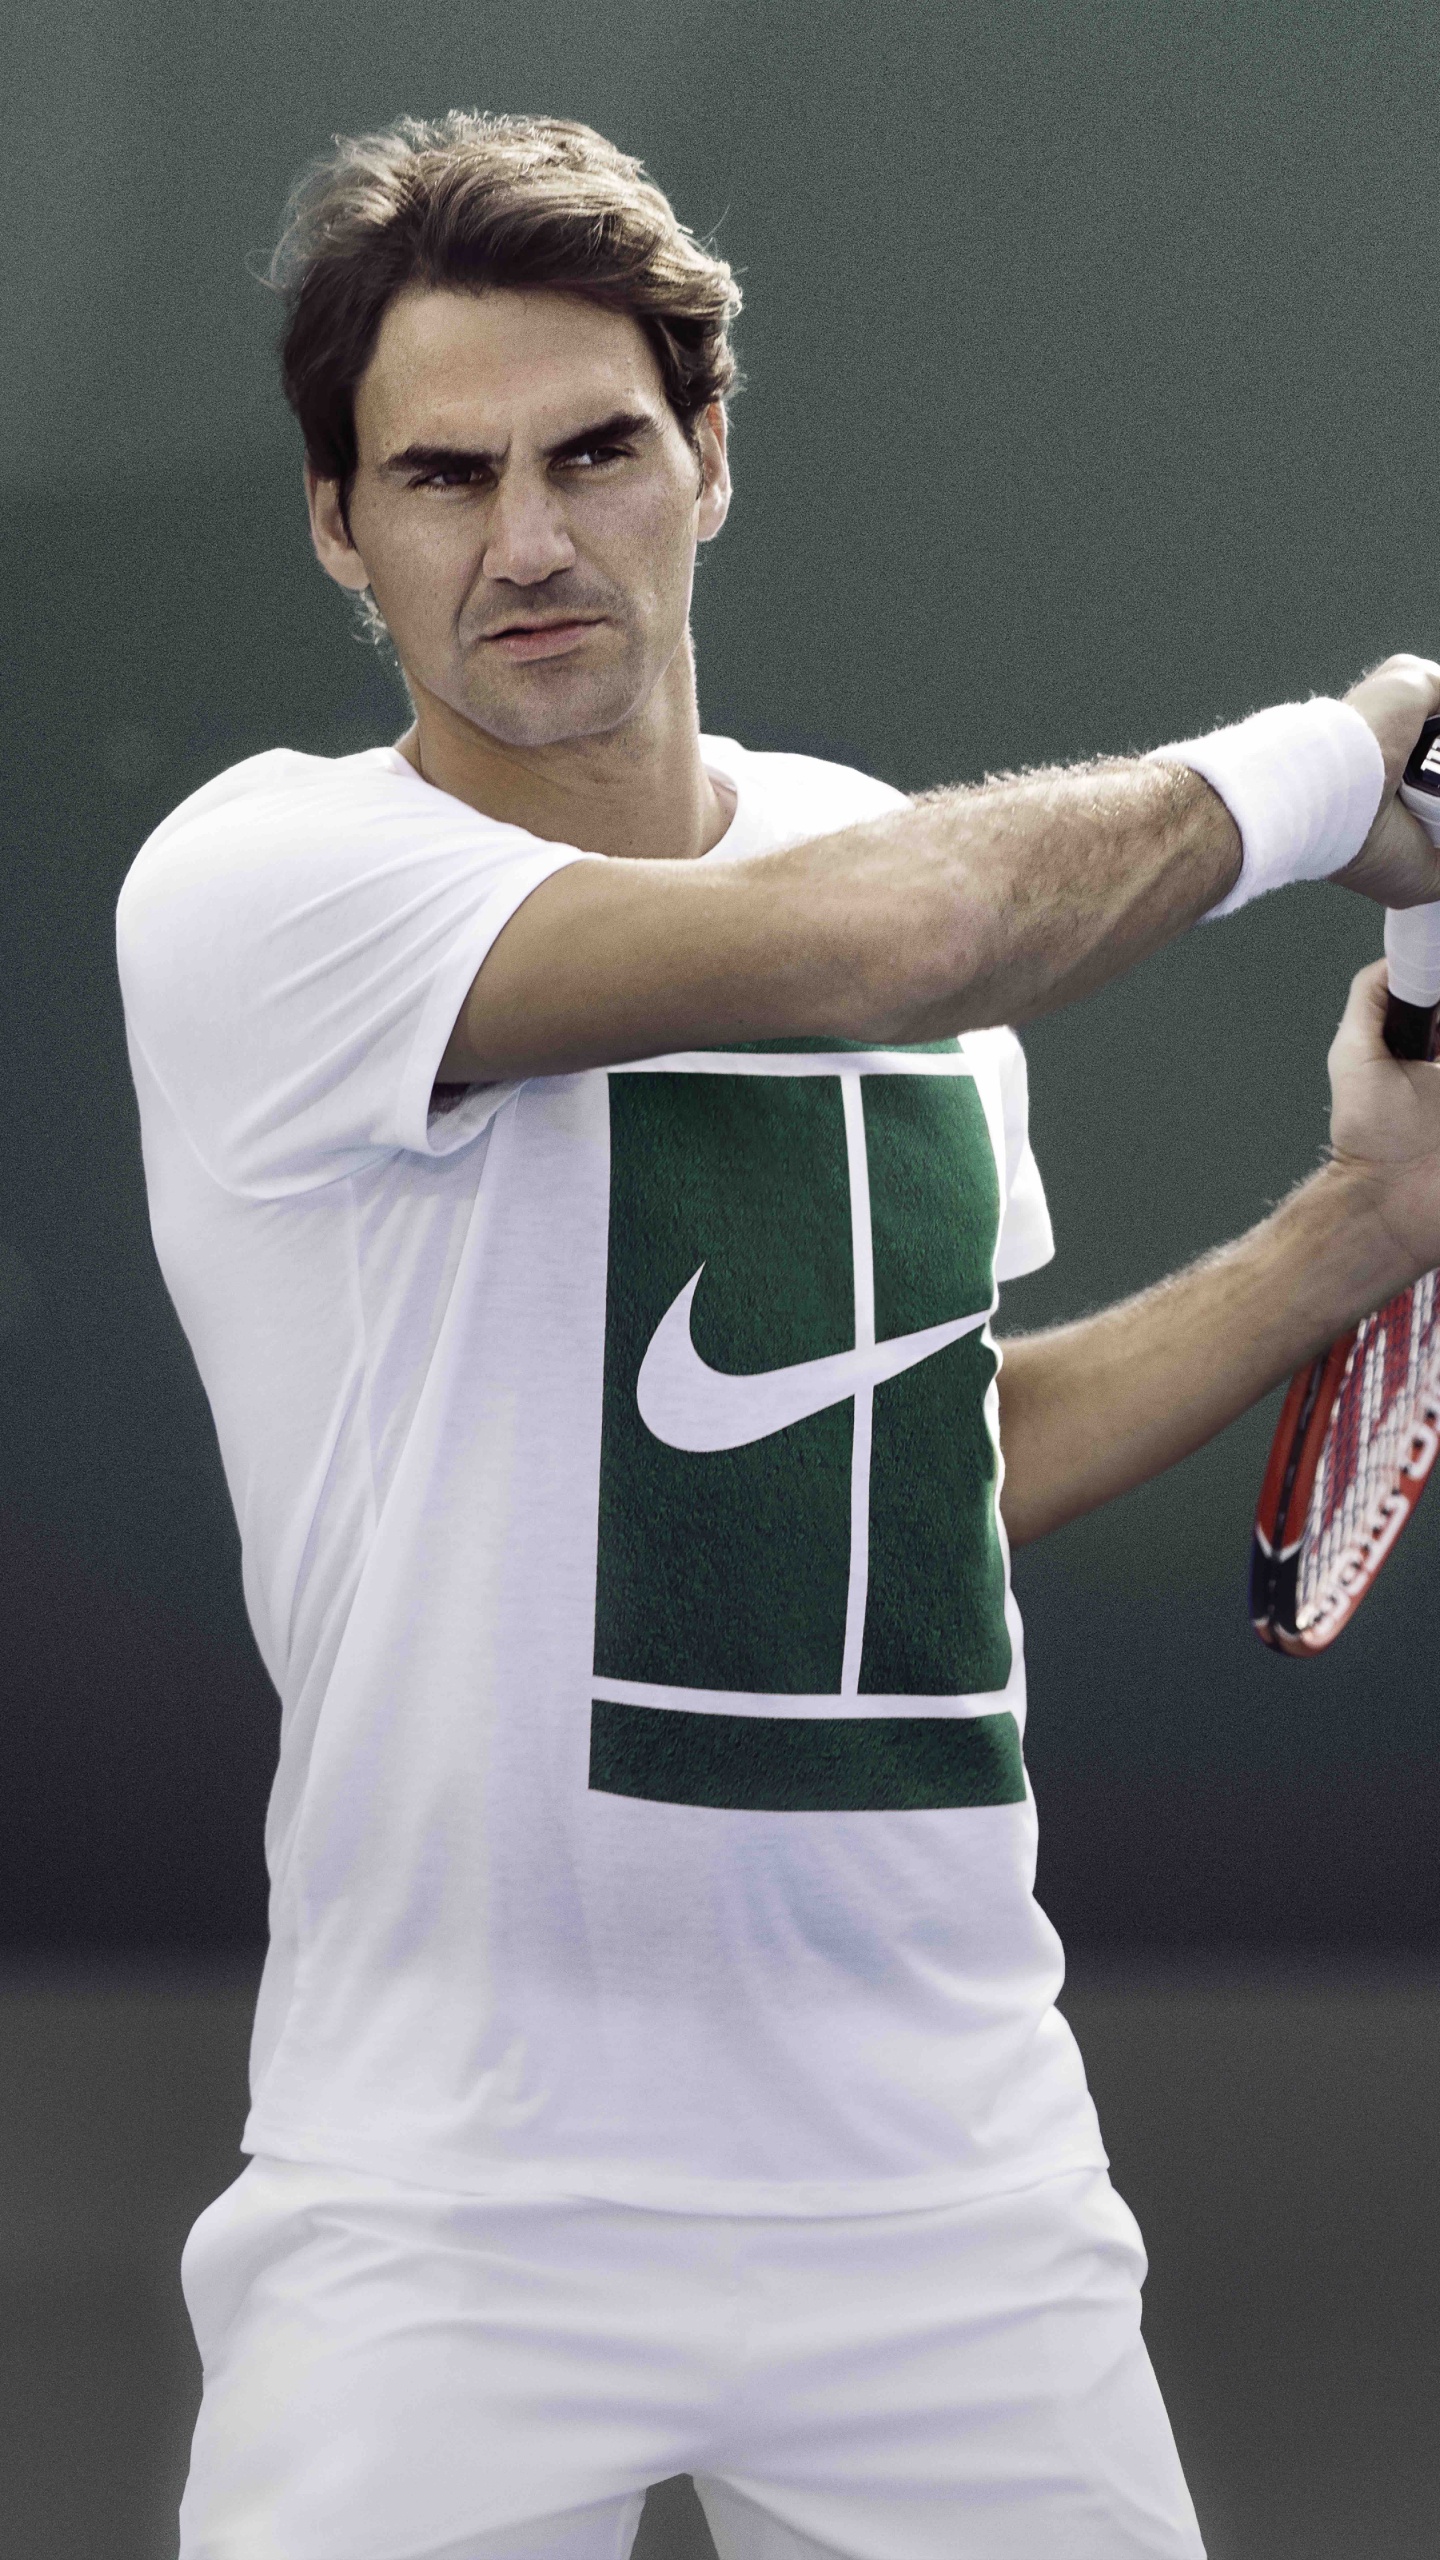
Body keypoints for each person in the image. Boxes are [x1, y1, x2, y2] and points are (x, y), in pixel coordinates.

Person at [116, 112, 1440, 2560]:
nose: (528, 540)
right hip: (445, 2206)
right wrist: (1335, 768)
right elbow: (888, 942)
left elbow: (920, 1461)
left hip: (950, 2185)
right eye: (443, 477)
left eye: (595, 452)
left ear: (707, 460)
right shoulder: (266, 882)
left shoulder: (893, 863)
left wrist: (1357, 1229)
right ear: (337, 525)